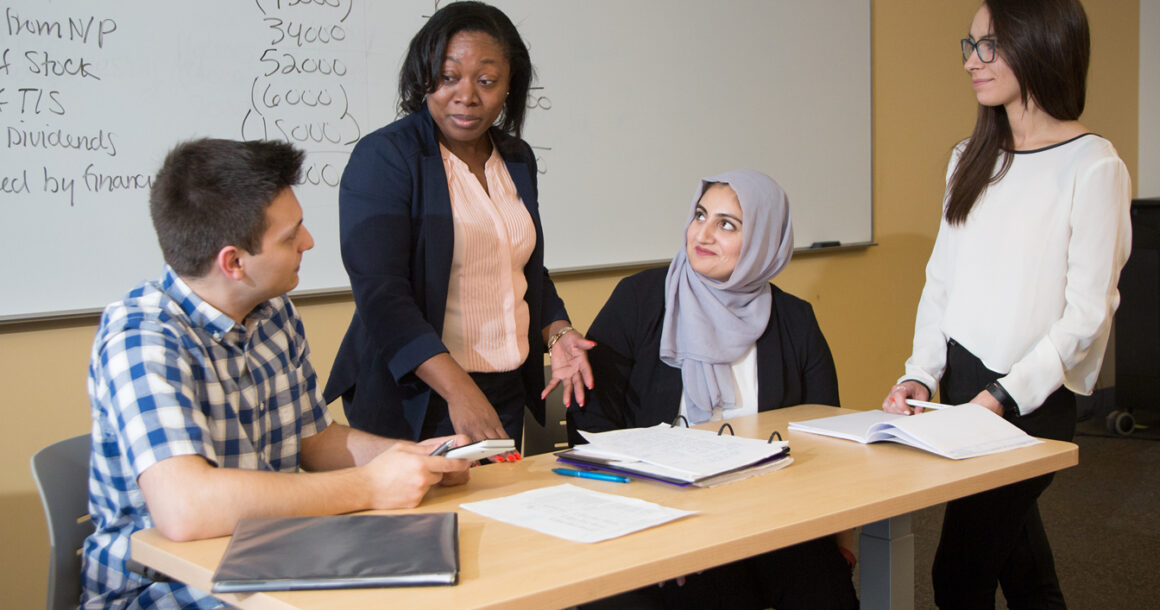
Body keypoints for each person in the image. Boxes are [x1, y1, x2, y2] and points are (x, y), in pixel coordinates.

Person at [82, 138, 472, 609]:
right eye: (291, 236)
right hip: (164, 584)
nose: (308, 242)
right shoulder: (141, 336)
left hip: (274, 555)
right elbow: (186, 509)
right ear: (234, 262)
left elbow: (315, 440)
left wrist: (410, 459)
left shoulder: (274, 313)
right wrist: (370, 485)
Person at [881, 0, 1131, 607]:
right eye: (969, 46)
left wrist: (1003, 397)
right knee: (1021, 566)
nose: (973, 61)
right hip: (965, 382)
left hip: (1030, 398)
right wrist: (920, 372)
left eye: (990, 45)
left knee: (958, 574)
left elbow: (1088, 313)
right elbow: (942, 278)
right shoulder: (967, 159)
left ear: (1041, 44)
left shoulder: (1094, 165)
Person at [568, 170, 857, 610]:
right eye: (700, 215)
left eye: (727, 224)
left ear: (765, 241)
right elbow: (590, 423)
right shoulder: (640, 299)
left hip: (769, 514)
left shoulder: (795, 321)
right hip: (660, 509)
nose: (703, 233)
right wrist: (659, 524)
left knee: (824, 589)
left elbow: (823, 439)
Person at [325, 1, 593, 450]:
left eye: (486, 81)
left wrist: (559, 332)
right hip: (417, 393)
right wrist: (459, 390)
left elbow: (519, 267)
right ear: (423, 77)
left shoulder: (517, 158)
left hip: (504, 388)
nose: (466, 95)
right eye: (449, 77)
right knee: (428, 518)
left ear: (509, 86)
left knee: (496, 516)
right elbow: (382, 294)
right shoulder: (386, 157)